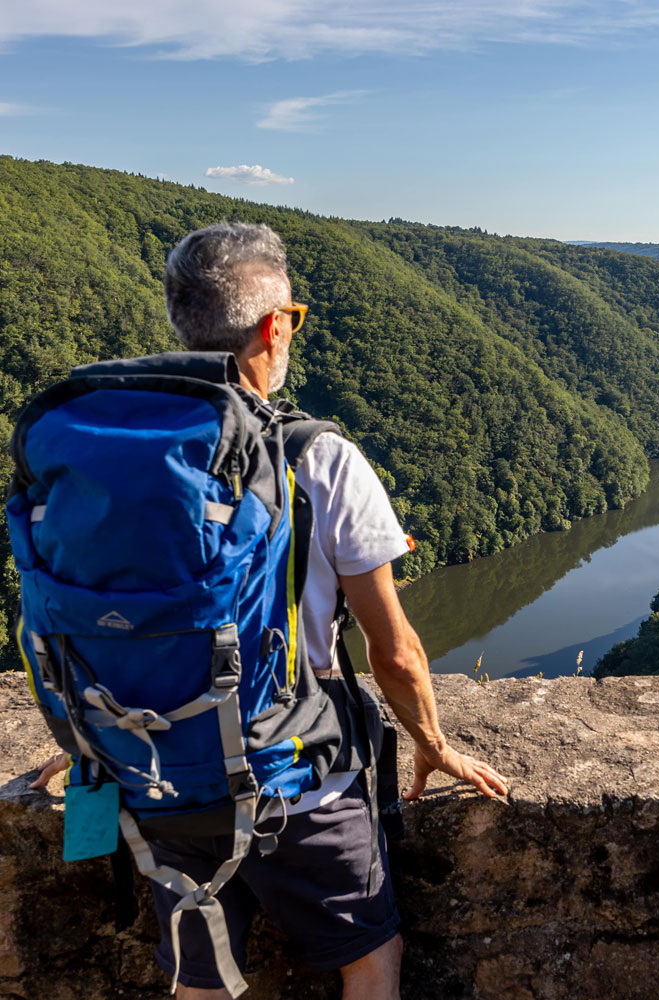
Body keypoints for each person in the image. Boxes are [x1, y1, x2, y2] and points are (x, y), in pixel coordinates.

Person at [30, 221, 508, 1000]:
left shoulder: (109, 451)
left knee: (203, 981)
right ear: (273, 325)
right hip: (294, 781)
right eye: (296, 317)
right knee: (370, 959)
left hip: (158, 777)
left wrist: (96, 725)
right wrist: (432, 742)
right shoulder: (317, 455)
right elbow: (393, 652)